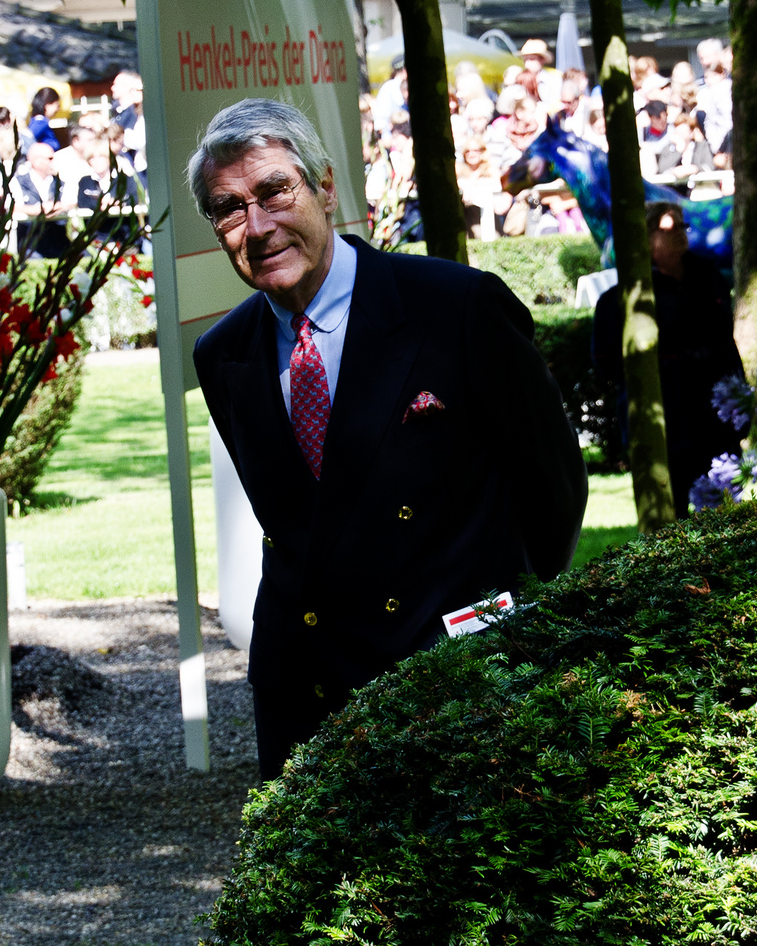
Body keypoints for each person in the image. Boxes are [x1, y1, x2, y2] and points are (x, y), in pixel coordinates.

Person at [190, 98, 587, 781]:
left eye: (273, 191)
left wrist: (497, 628)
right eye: (228, 208)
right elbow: (296, 522)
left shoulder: (455, 307)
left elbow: (553, 489)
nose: (256, 226)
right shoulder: (222, 354)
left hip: (454, 678)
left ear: (325, 185)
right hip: (305, 698)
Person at [592, 201, 746, 517]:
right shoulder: (622, 298)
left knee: (729, 514)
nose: (679, 232)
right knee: (669, 520)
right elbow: (607, 363)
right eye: (668, 227)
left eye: (681, 225)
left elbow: (726, 345)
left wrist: (740, 402)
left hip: (714, 420)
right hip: (665, 422)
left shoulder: (709, 278)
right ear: (645, 238)